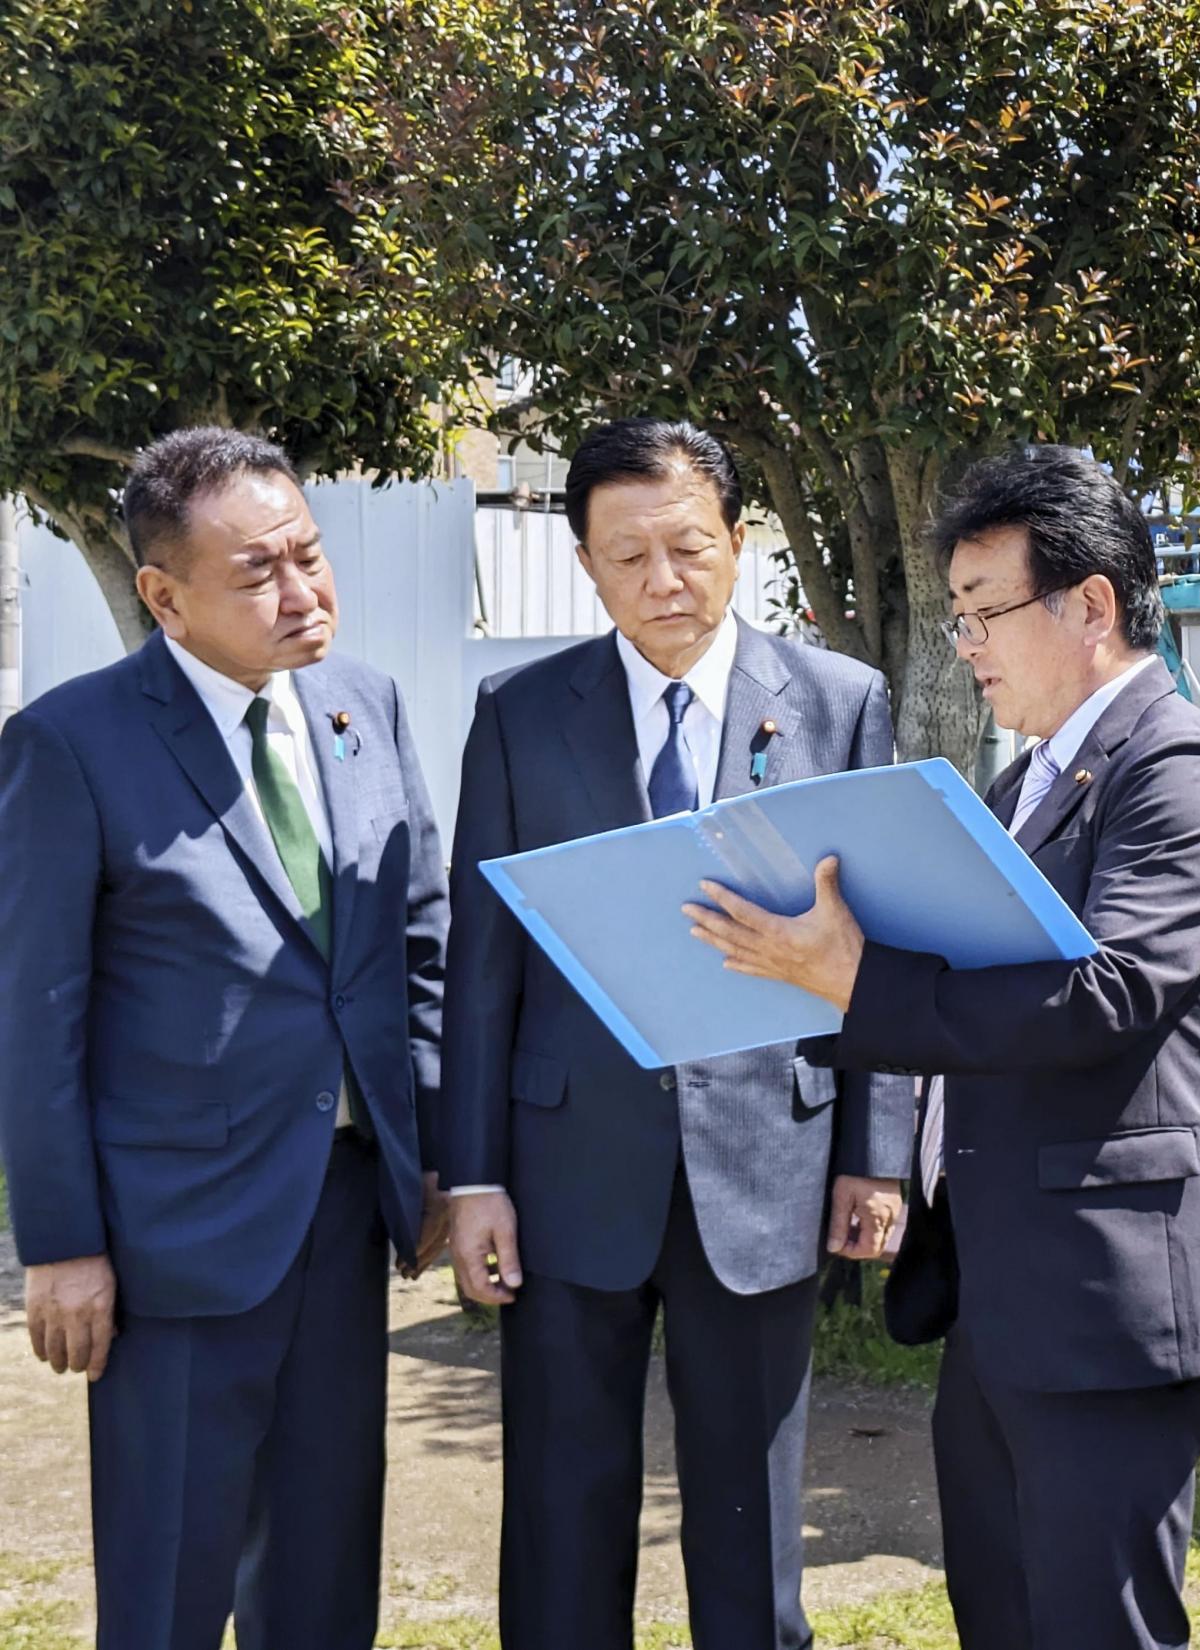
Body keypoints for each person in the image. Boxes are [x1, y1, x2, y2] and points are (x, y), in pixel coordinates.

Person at [686, 445, 1200, 1650]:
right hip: (1012, 1289)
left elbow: (1103, 992)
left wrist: (857, 980)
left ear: (1092, 604)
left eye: (984, 614)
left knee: (1094, 1627)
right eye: (958, 620)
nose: (970, 647)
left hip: (1114, 1296)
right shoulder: (1024, 789)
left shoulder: (1181, 771)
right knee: (1003, 1619)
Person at [441, 418, 909, 1650]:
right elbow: (483, 971)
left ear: (741, 543)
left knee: (752, 1523)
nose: (665, 581)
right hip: (563, 1169)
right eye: (629, 556)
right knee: (559, 1506)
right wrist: (475, 1176)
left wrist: (877, 1153)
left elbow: (885, 945)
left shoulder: (838, 701)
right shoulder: (518, 713)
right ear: (586, 565)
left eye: (691, 548)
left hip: (770, 1165)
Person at [0, 428, 450, 1648]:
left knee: (322, 1578)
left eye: (310, 556)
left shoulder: (367, 706)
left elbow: (415, 945)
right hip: (172, 1244)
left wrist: (439, 1164)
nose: (303, 593)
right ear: (164, 596)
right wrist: (62, 1245)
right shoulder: (72, 744)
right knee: (166, 1592)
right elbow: (37, 1016)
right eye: (259, 572)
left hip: (344, 1216)